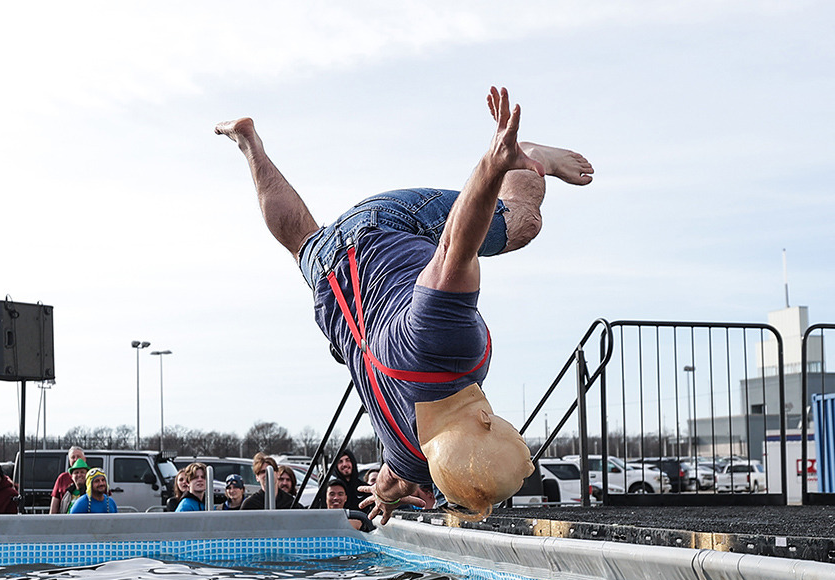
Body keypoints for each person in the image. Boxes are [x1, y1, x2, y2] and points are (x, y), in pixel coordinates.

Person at [216, 87, 590, 521]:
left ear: (490, 422)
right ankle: (251, 147)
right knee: (298, 241)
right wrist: (386, 500)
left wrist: (493, 165)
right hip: (330, 279)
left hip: (386, 225)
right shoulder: (409, 454)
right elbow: (389, 483)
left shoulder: (447, 349)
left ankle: (527, 156)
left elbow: (455, 244)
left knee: (522, 222)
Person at [49, 446, 87, 514]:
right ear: (69, 461)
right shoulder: (62, 478)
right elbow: (54, 506)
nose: (76, 459)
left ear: (84, 459)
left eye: (78, 456)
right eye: (73, 457)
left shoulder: (92, 477)